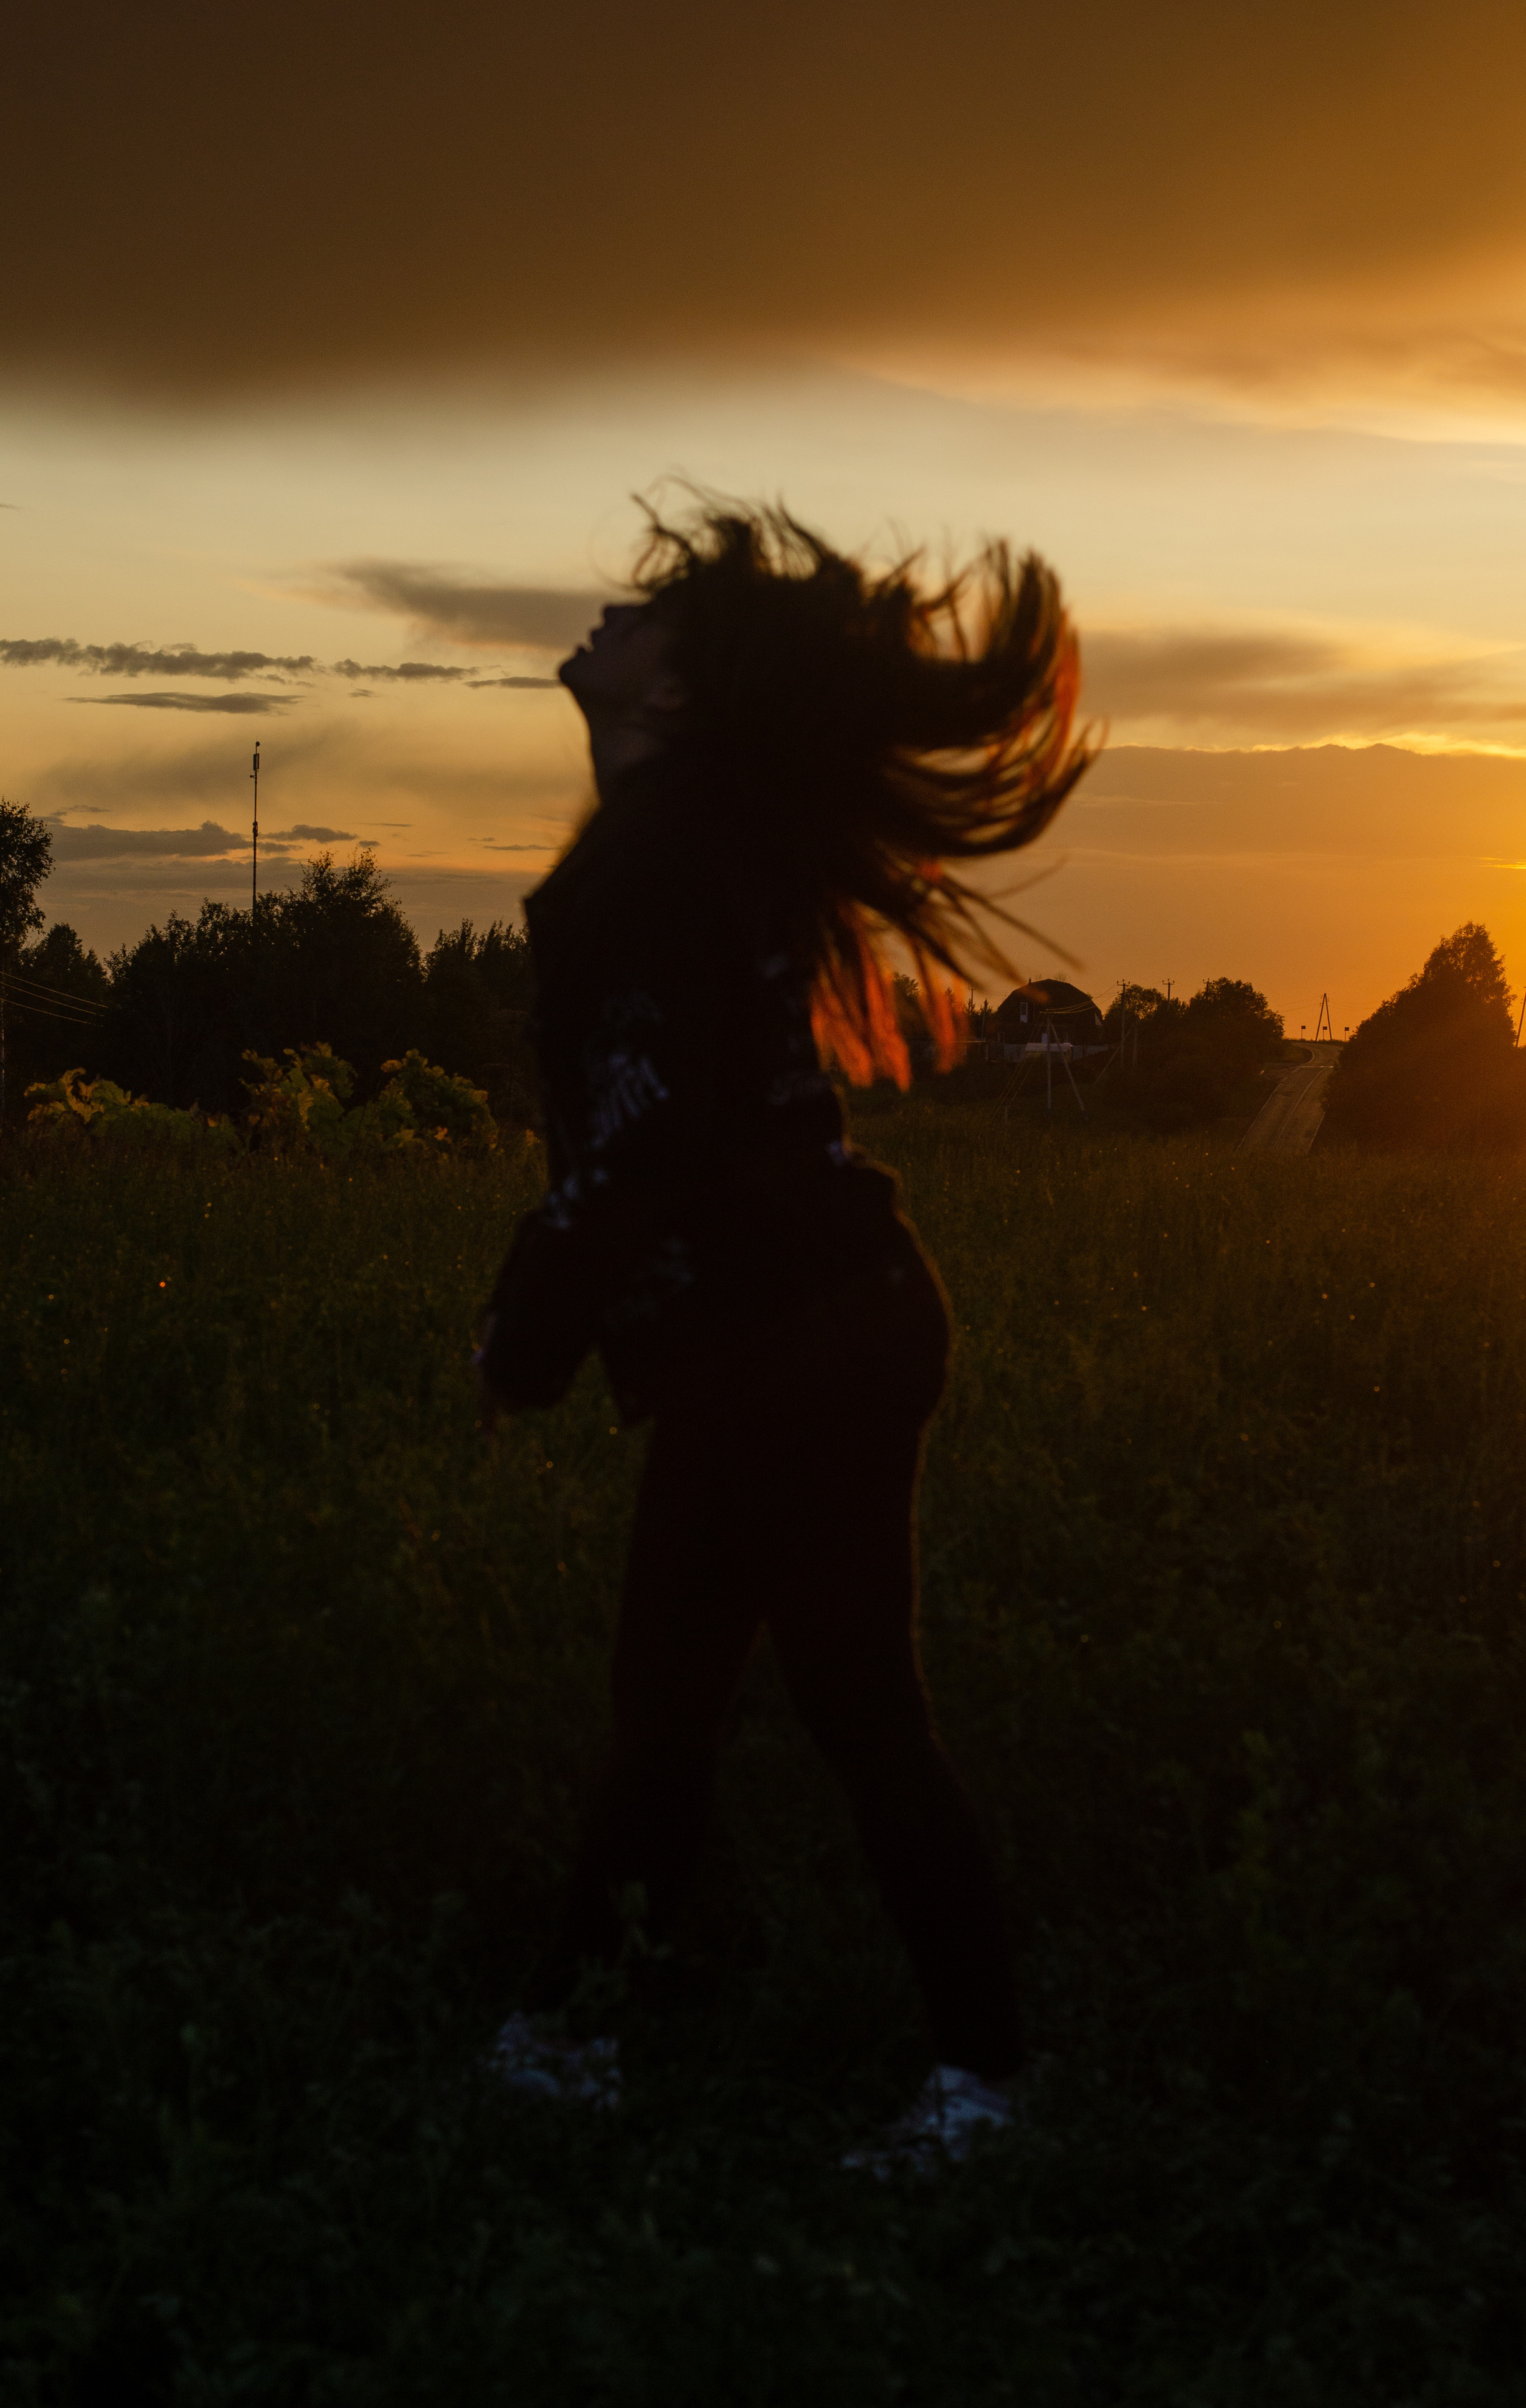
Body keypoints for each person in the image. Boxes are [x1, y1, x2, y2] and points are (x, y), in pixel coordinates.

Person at [475, 501, 1093, 2164]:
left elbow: (645, 1132)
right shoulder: (673, 845)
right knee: (684, 1702)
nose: (616, 614)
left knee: (828, 1708)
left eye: (655, 612)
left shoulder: (660, 860)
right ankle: (608, 2015)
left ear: (676, 697)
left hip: (799, 1342)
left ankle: (966, 2083)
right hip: (804, 1331)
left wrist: (529, 1326)